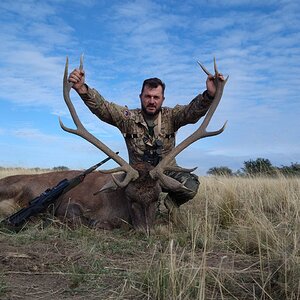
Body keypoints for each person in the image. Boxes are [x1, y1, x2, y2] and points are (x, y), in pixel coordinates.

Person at [68, 65, 224, 223]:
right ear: (140, 97)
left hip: (163, 174)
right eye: (147, 96)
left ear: (163, 99)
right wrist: (82, 89)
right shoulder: (128, 118)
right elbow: (103, 108)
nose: (151, 101)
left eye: (156, 97)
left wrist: (209, 95)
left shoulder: (172, 116)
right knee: (112, 192)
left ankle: (171, 203)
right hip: (136, 177)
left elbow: (192, 111)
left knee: (190, 186)